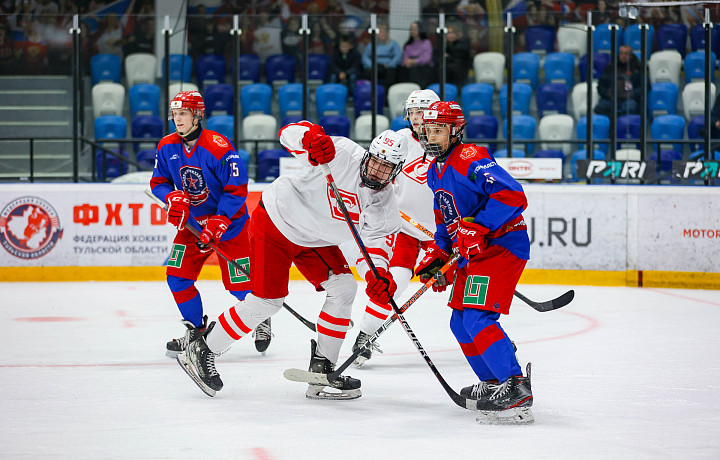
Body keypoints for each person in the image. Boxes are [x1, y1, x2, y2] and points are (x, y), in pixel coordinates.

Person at [176, 123, 409, 400]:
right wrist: (310, 139)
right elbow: (288, 135)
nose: (377, 171)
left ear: (396, 171)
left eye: (386, 168)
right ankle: (203, 349)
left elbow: (372, 248)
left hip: (314, 240)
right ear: (368, 154)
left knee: (345, 287)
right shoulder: (343, 152)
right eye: (375, 161)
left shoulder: (385, 207)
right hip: (277, 220)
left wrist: (376, 274)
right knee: (266, 301)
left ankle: (323, 368)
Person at [415, 100, 534, 424]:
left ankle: (516, 386)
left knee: (478, 318)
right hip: (474, 253)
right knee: (459, 323)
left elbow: (512, 196)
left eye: (438, 129)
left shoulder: (470, 157)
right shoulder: (433, 171)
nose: (431, 136)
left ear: (456, 131)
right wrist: (440, 258)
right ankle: (495, 381)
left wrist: (479, 225)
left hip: (500, 247)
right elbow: (447, 221)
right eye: (427, 130)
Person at [150, 90, 273, 360]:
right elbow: (158, 183)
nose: (178, 120)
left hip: (230, 226)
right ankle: (195, 331)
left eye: (183, 113)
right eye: (175, 114)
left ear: (197, 115)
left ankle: (260, 316)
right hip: (193, 227)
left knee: (240, 287)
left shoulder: (218, 146)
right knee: (177, 278)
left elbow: (237, 187)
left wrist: (221, 219)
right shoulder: (166, 146)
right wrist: (171, 198)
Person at [349, 89, 441, 367]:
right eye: (412, 112)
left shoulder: (445, 143)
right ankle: (364, 335)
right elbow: (373, 173)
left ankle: (486, 336)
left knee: (466, 283)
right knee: (394, 282)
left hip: (441, 235)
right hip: (403, 229)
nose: (416, 118)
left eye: (422, 112)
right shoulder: (398, 140)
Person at [595, 45, 645, 118]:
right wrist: (606, 93)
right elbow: (601, 85)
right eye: (621, 53)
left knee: (630, 108)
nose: (623, 56)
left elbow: (645, 87)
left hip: (629, 99)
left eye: (626, 53)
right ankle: (611, 126)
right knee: (600, 108)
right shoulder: (611, 67)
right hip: (611, 98)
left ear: (631, 55)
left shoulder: (638, 68)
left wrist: (633, 94)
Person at [362, 23, 402, 89]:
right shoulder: (372, 44)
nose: (383, 34)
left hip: (388, 67)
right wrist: (371, 65)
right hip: (376, 66)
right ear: (377, 34)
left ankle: (387, 94)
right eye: (381, 32)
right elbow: (365, 57)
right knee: (368, 72)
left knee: (391, 74)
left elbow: (398, 56)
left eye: (385, 32)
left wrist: (390, 64)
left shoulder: (393, 44)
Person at [399, 21, 434, 89]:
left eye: (415, 29)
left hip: (423, 68)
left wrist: (414, 61)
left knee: (416, 71)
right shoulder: (408, 45)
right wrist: (408, 62)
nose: (412, 31)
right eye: (411, 29)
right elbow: (404, 60)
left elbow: (426, 58)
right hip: (410, 67)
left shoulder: (426, 42)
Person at [439, 22, 472, 88]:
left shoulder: (462, 45)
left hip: (459, 75)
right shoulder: (445, 45)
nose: (450, 35)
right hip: (448, 75)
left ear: (457, 34)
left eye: (452, 33)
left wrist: (448, 57)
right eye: (448, 33)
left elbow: (459, 60)